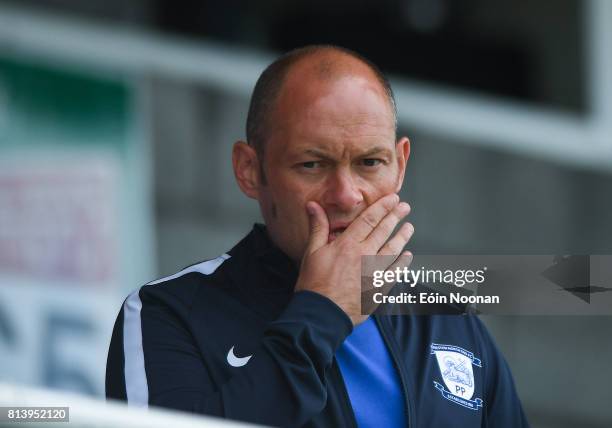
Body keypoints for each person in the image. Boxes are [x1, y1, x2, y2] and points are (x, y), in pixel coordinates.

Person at [106, 45, 529, 427]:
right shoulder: (169, 315)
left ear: (399, 165)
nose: (346, 196)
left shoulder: (448, 323)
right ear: (250, 171)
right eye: (312, 164)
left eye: (369, 162)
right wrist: (321, 313)